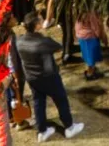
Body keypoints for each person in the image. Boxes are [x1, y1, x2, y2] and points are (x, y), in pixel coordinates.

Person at [16, 12, 85, 141]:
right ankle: (69, 127)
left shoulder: (19, 41)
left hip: (32, 78)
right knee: (61, 100)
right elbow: (58, 47)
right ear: (37, 25)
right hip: (49, 77)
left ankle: (42, 131)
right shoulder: (43, 42)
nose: (43, 21)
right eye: (41, 20)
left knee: (38, 102)